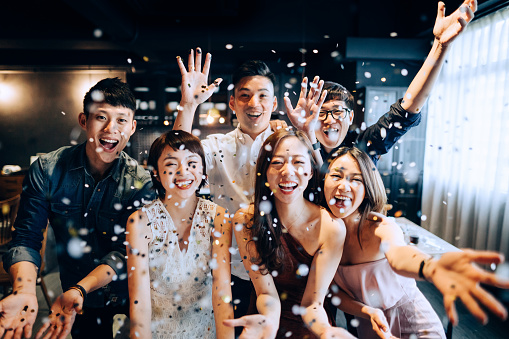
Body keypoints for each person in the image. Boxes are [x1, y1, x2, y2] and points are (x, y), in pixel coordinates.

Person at [173, 51, 326, 326]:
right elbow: (178, 159)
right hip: (231, 271)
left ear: (274, 102)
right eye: (244, 95)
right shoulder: (217, 146)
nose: (254, 103)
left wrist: (308, 132)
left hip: (286, 269)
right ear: (232, 102)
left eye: (263, 95)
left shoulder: (287, 143)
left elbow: (317, 186)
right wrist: (188, 105)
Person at [1, 78, 155, 339]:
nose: (111, 128)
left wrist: (83, 288)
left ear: (132, 127)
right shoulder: (47, 170)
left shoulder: (141, 183)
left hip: (133, 290)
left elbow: (127, 250)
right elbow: (26, 238)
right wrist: (25, 290)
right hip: (76, 296)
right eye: (101, 117)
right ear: (84, 121)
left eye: (121, 120)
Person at [323, 147, 509, 338]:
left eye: (356, 179)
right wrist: (368, 312)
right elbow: (332, 292)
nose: (344, 186)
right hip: (370, 324)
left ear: (367, 189)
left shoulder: (380, 226)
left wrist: (430, 268)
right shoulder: (323, 233)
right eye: (337, 176)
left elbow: (399, 255)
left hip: (413, 322)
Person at [285, 0, 478, 168]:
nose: (329, 120)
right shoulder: (295, 150)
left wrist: (440, 46)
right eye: (321, 112)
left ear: (350, 116)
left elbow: (407, 109)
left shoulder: (364, 145)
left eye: (337, 111)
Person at [222, 129, 354, 339]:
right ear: (264, 171)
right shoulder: (246, 220)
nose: (287, 172)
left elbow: (313, 303)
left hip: (310, 330)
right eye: (277, 163)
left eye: (298, 162)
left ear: (311, 171)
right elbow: (266, 293)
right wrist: (270, 324)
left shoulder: (331, 227)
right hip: (262, 328)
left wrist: (326, 331)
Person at [126, 130, 233, 338]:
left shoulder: (218, 217)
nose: (183, 172)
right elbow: (139, 302)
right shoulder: (140, 221)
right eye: (171, 164)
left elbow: (222, 293)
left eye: (192, 164)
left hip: (206, 331)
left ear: (203, 170)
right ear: (155, 172)